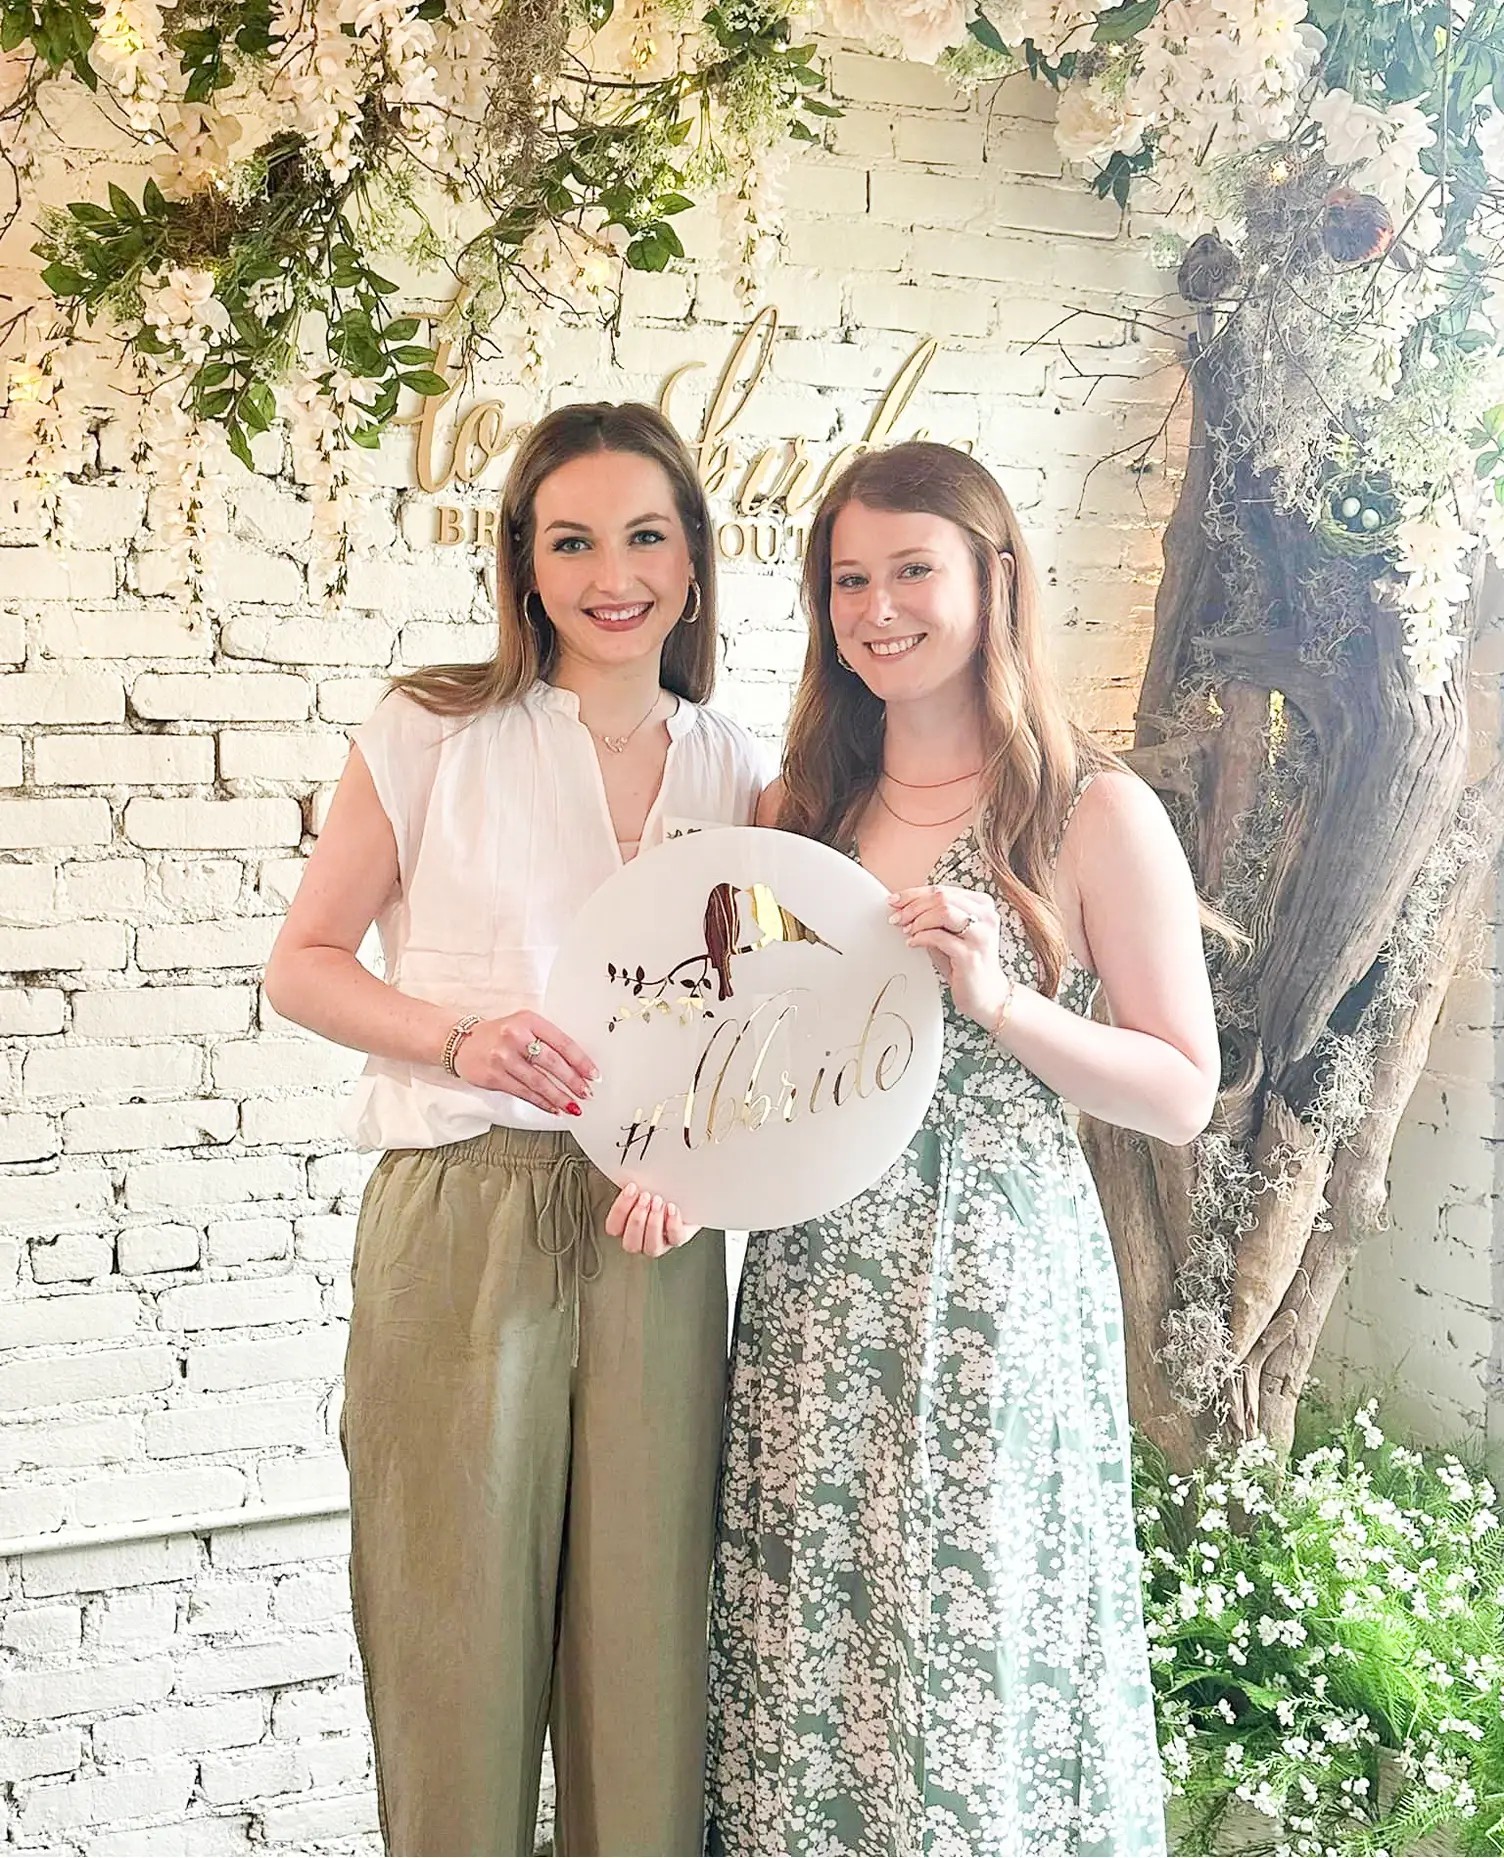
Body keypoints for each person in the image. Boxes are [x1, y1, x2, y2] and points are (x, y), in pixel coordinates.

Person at [706, 440, 1221, 1857]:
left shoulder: (1086, 808)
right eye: (848, 578)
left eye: (912, 570)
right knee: (813, 1623)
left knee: (972, 1618)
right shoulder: (798, 810)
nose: (877, 607)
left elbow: (1181, 1088)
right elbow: (747, 1065)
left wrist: (996, 1004)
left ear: (995, 582)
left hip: (993, 1278)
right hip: (813, 1285)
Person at [264, 403, 765, 1858]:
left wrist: (708, 1150)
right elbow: (303, 960)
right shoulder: (431, 729)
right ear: (524, 566)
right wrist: (459, 1035)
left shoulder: (736, 765)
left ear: (693, 557)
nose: (615, 572)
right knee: (452, 1630)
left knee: (646, 1642)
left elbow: (764, 1015)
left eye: (646, 534)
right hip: (461, 1208)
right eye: (573, 539)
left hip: (657, 1225)